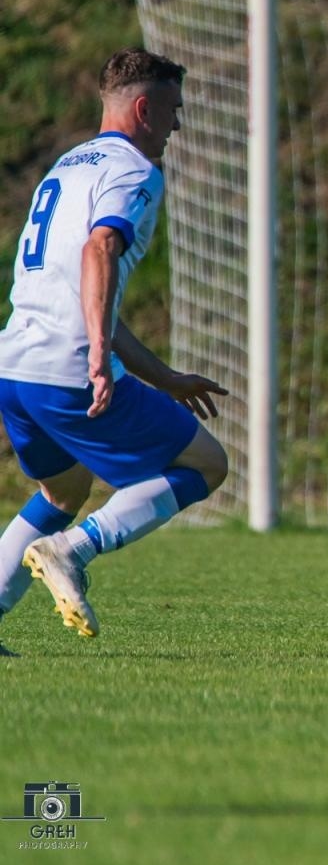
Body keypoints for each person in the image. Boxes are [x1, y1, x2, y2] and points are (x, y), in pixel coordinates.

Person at [0, 48, 229, 643]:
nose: (177, 126)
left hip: (17, 367)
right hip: (70, 367)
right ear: (145, 108)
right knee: (207, 464)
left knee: (64, 488)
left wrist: (164, 378)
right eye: (173, 111)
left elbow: (86, 290)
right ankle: (73, 550)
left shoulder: (69, 166)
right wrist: (99, 355)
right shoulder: (132, 171)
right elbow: (100, 251)